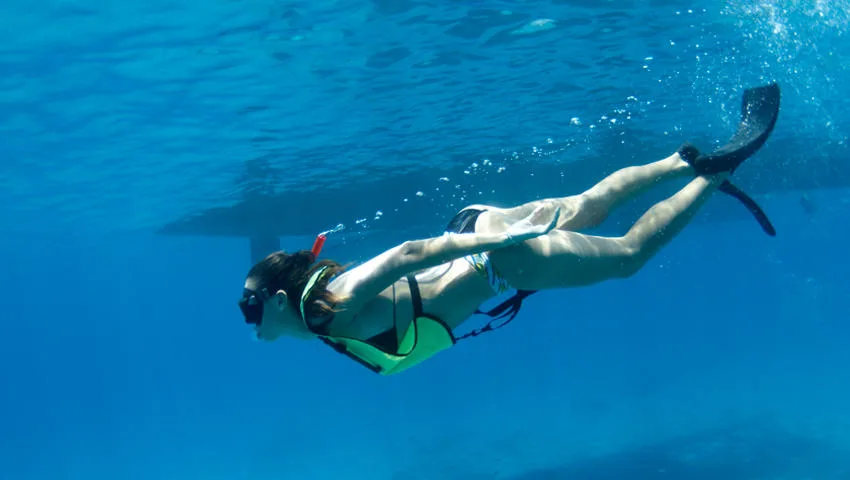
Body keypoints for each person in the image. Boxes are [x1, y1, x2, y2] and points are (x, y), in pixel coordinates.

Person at [238, 83, 781, 376]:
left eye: (250, 305)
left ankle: (715, 173)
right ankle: (680, 164)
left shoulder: (331, 303)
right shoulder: (321, 316)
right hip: (476, 230)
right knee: (589, 204)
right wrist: (490, 235)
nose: (249, 317)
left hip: (498, 258)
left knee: (630, 253)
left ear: (281, 299)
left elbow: (409, 252)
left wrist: (498, 243)